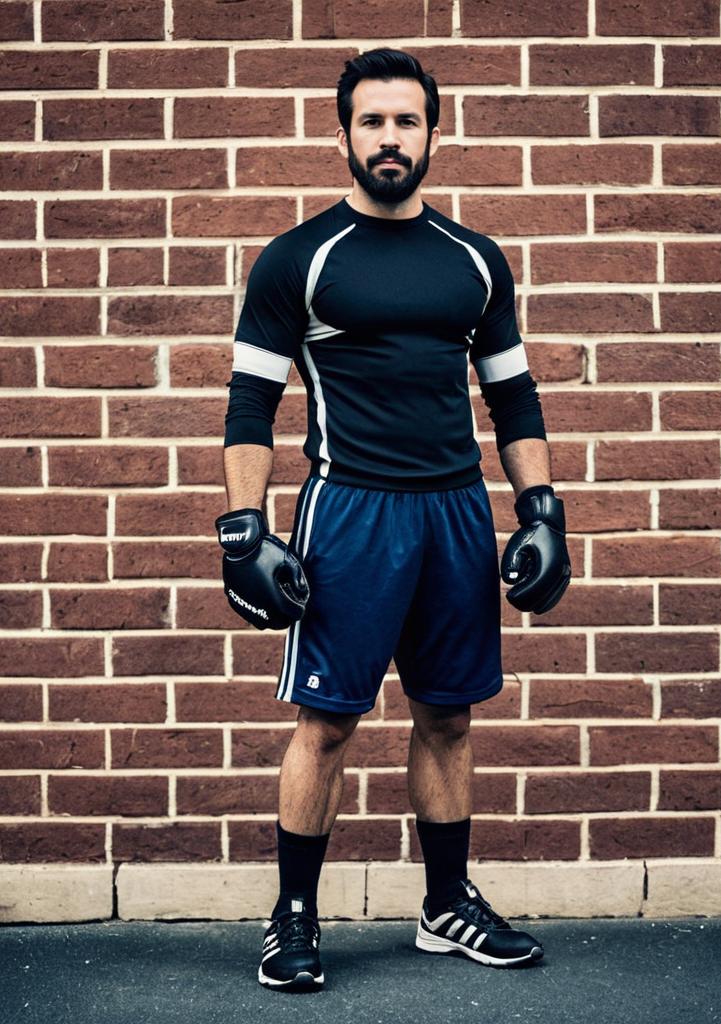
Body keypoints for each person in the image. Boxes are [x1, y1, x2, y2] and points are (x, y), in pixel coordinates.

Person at [216, 47, 571, 992]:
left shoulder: (474, 260)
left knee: (448, 715)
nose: (389, 138)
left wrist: (543, 508)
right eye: (371, 122)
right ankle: (292, 920)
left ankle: (446, 904)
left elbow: (516, 396)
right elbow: (251, 404)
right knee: (328, 723)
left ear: (432, 133)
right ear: (342, 137)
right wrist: (243, 530)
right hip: (351, 514)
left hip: (455, 510)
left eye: (405, 121)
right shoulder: (301, 258)